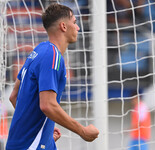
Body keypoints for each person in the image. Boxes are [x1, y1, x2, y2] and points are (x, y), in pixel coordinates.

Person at [6, 3, 99, 150]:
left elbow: (14, 96)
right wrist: (83, 131)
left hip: (20, 143)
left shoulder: (38, 51)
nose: (78, 27)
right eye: (74, 22)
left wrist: (44, 132)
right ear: (63, 26)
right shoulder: (53, 55)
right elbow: (47, 105)